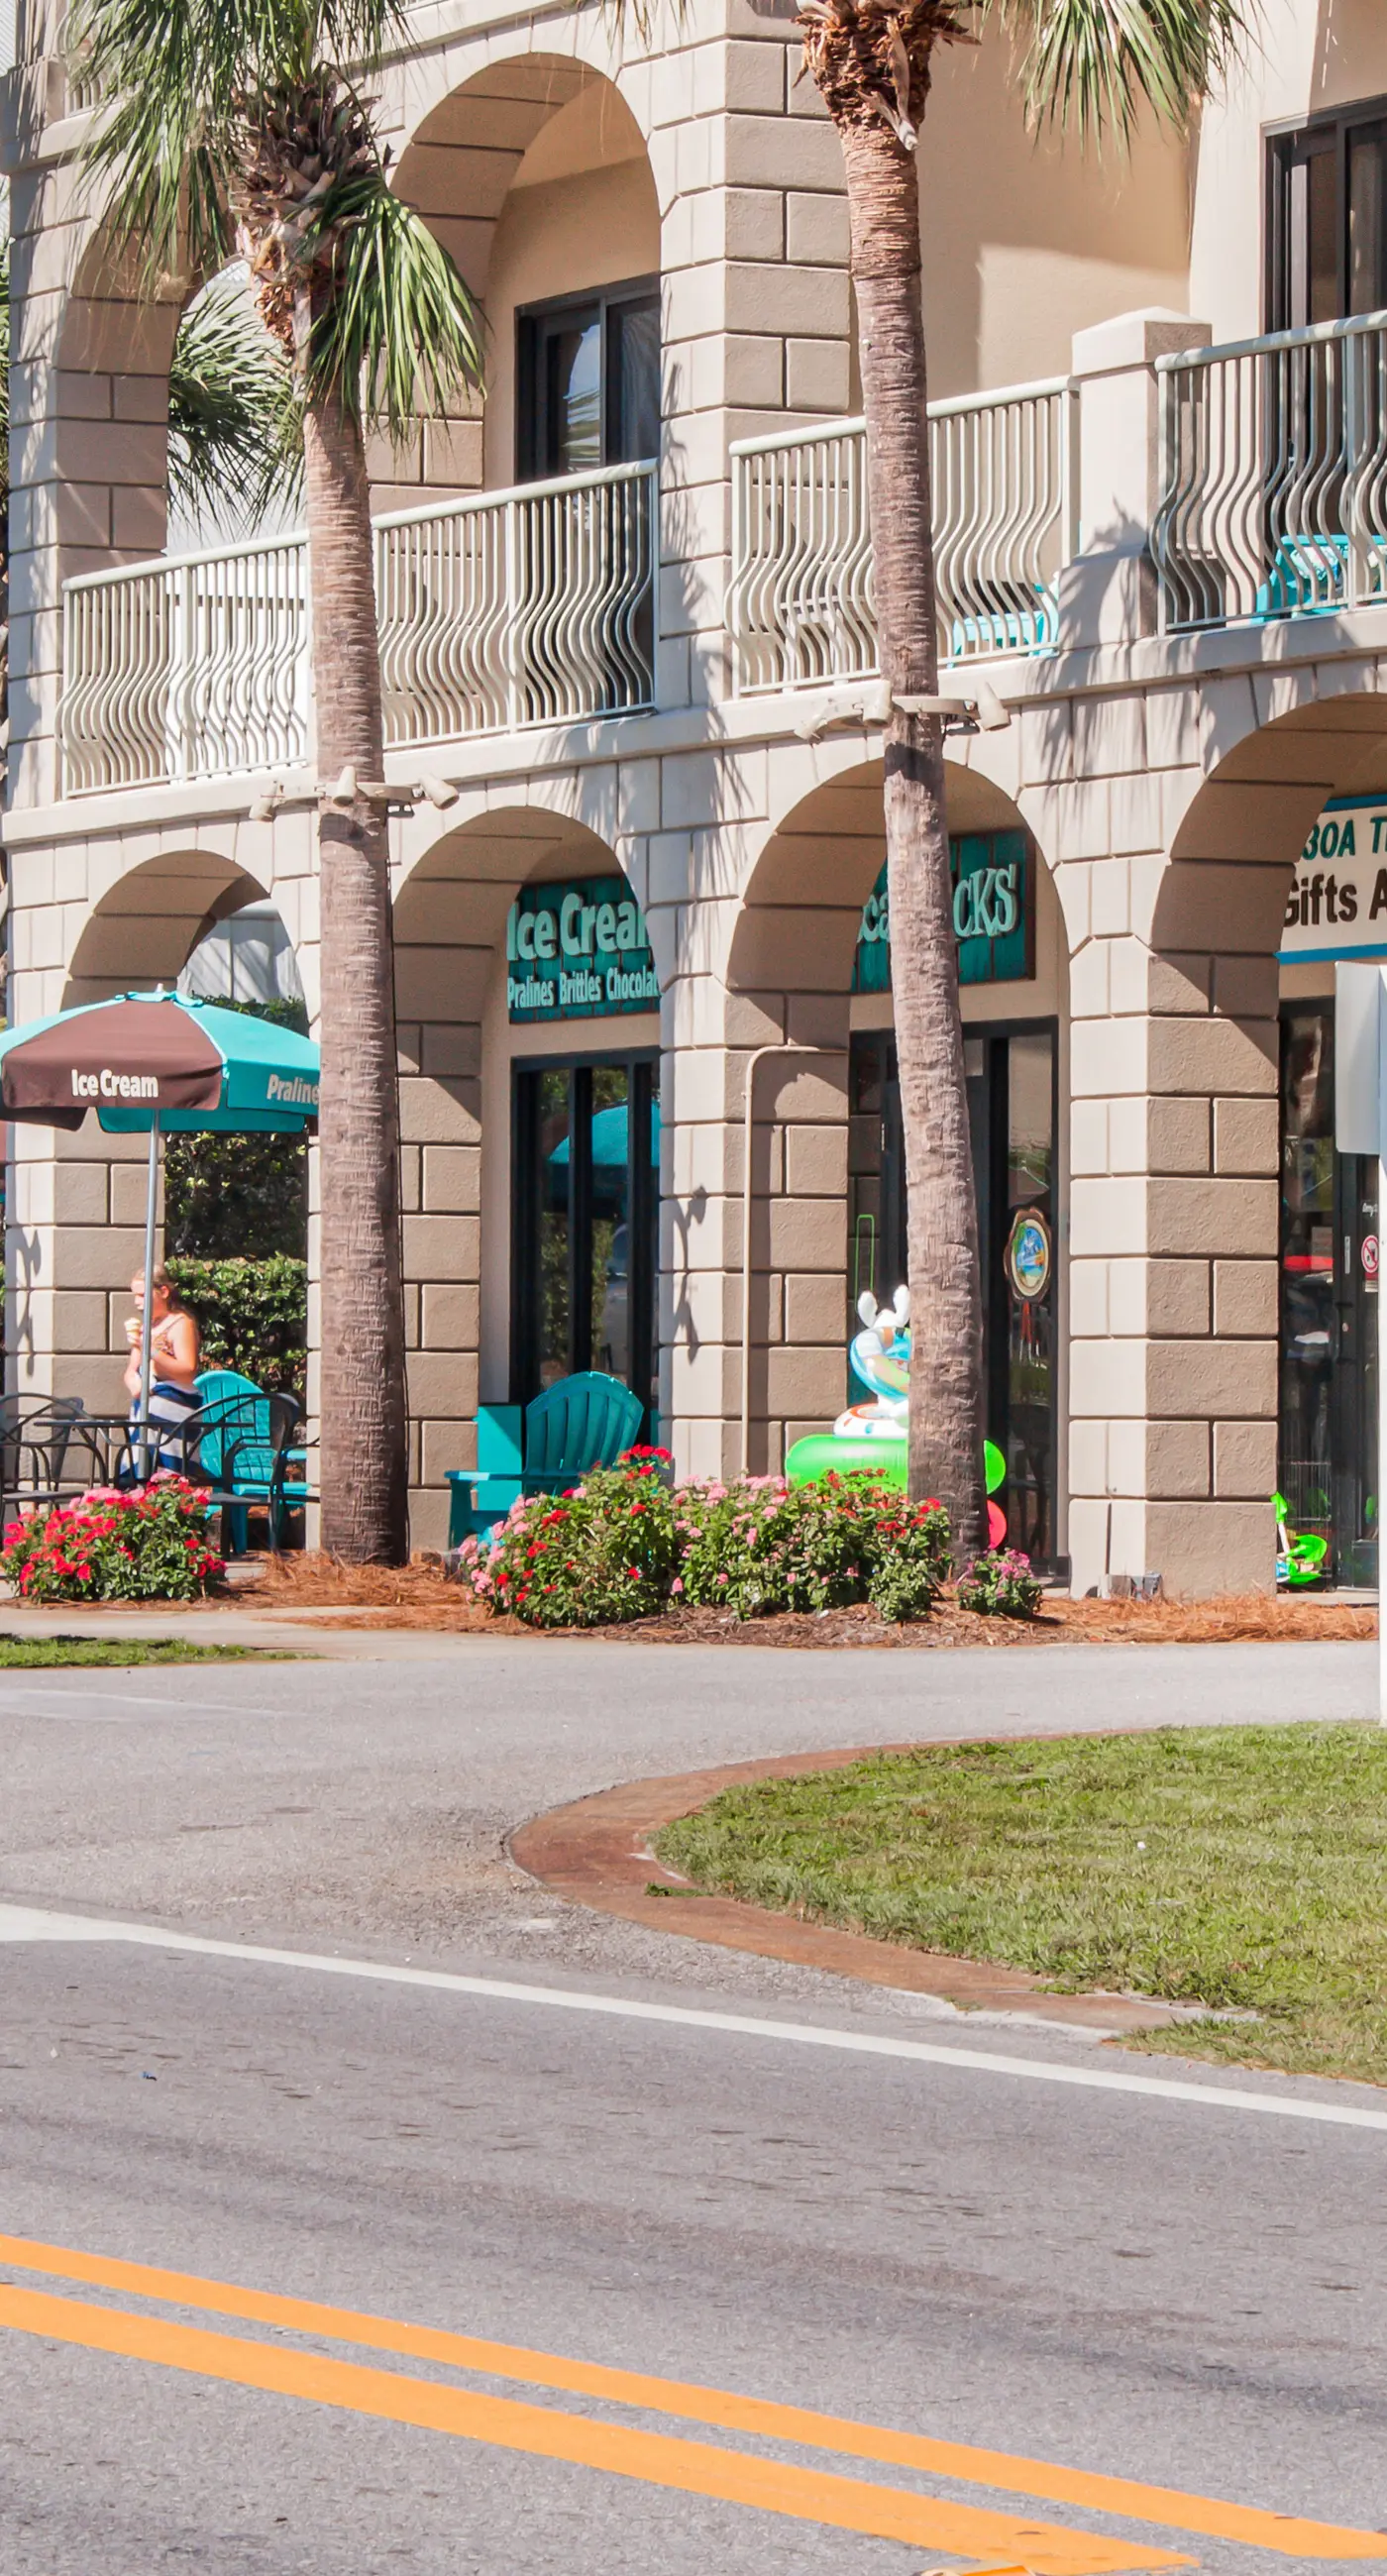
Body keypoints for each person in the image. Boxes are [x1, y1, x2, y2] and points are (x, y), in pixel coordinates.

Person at [123, 1264, 201, 1475]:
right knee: (140, 1471)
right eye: (135, 1296)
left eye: (142, 1295)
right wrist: (134, 1383)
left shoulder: (181, 1323)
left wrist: (150, 1349)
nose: (137, 1303)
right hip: (146, 1412)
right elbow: (132, 1370)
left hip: (173, 1413)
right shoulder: (147, 1325)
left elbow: (188, 1370)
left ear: (164, 1292)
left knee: (169, 1476)